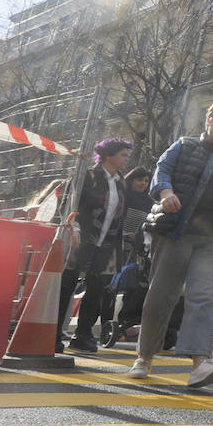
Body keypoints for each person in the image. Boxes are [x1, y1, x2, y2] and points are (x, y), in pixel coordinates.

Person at [127, 98, 213, 388]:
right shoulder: (184, 146)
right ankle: (144, 357)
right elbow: (162, 170)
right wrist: (166, 193)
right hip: (176, 233)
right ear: (209, 118)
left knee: (204, 298)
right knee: (162, 296)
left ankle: (199, 363)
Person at [57, 138, 133, 353]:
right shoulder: (88, 176)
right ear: (108, 155)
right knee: (67, 285)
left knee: (96, 289)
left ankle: (83, 334)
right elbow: (71, 203)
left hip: (107, 243)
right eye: (123, 155)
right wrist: (75, 227)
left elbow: (120, 212)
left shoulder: (121, 182)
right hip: (80, 238)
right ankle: (53, 333)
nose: (127, 159)